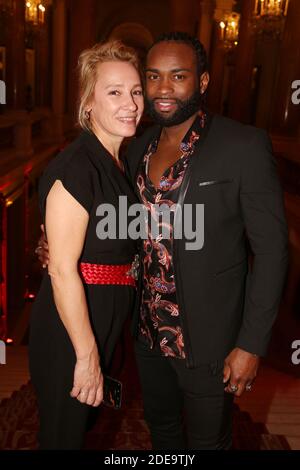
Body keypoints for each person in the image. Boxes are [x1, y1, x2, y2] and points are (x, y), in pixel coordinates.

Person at [37, 32, 288, 450]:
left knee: (210, 443)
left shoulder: (242, 146)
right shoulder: (136, 151)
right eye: (152, 78)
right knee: (163, 432)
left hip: (210, 342)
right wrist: (58, 254)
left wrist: (251, 343)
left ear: (202, 83)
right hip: (146, 336)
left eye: (178, 76)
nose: (162, 89)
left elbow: (272, 251)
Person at [30, 40, 144, 449]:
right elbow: (61, 270)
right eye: (114, 92)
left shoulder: (119, 163)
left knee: (82, 432)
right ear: (88, 103)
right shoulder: (76, 166)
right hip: (72, 331)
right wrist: (86, 355)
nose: (129, 102)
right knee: (63, 438)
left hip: (106, 319)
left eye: (135, 91)